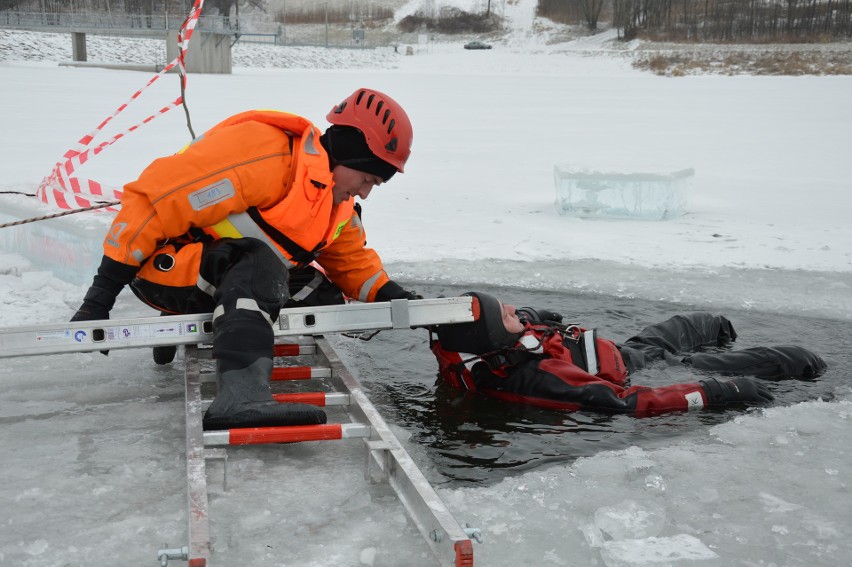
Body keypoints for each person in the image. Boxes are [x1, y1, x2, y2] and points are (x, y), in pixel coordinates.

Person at [71, 88, 420, 430]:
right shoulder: (267, 155)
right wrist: (98, 300)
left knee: (319, 294)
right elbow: (153, 205)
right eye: (367, 178)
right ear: (349, 154)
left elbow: (352, 262)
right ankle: (240, 395)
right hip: (163, 268)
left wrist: (398, 297)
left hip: (218, 273)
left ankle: (193, 324)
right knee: (260, 263)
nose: (365, 192)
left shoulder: (336, 201)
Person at [431, 292, 826, 417]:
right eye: (507, 314)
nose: (515, 311)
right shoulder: (536, 377)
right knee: (797, 358)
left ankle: (724, 344)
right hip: (648, 373)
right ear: (496, 335)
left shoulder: (469, 346)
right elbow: (627, 403)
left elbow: (513, 324)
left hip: (629, 351)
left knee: (713, 323)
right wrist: (713, 392)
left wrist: (533, 318)